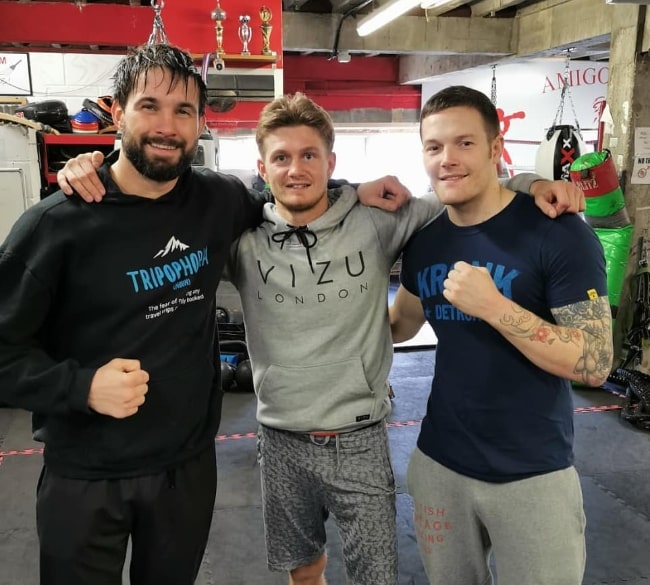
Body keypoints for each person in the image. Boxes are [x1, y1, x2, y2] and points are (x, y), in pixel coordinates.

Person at [57, 91, 585, 585]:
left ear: (331, 164)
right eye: (281, 158)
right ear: (263, 169)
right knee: (303, 571)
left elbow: (465, 192)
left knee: (374, 576)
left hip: (360, 437)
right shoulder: (239, 239)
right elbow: (159, 210)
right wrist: (96, 168)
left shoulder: (382, 221)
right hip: (281, 440)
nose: (296, 169)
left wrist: (534, 184)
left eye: (310, 155)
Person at [0, 44, 408, 585]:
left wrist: (350, 190)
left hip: (186, 469)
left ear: (200, 124)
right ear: (117, 113)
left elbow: (290, 198)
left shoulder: (218, 200)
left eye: (184, 112)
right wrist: (80, 387)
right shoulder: (55, 225)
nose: (167, 126)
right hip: (87, 473)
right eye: (150, 107)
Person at [389, 85, 614, 585]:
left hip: (532, 474)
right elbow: (400, 325)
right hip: (439, 465)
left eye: (465, 144)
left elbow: (595, 362)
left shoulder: (557, 232)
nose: (447, 159)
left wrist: (494, 307)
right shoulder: (426, 241)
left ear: (495, 149)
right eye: (434, 147)